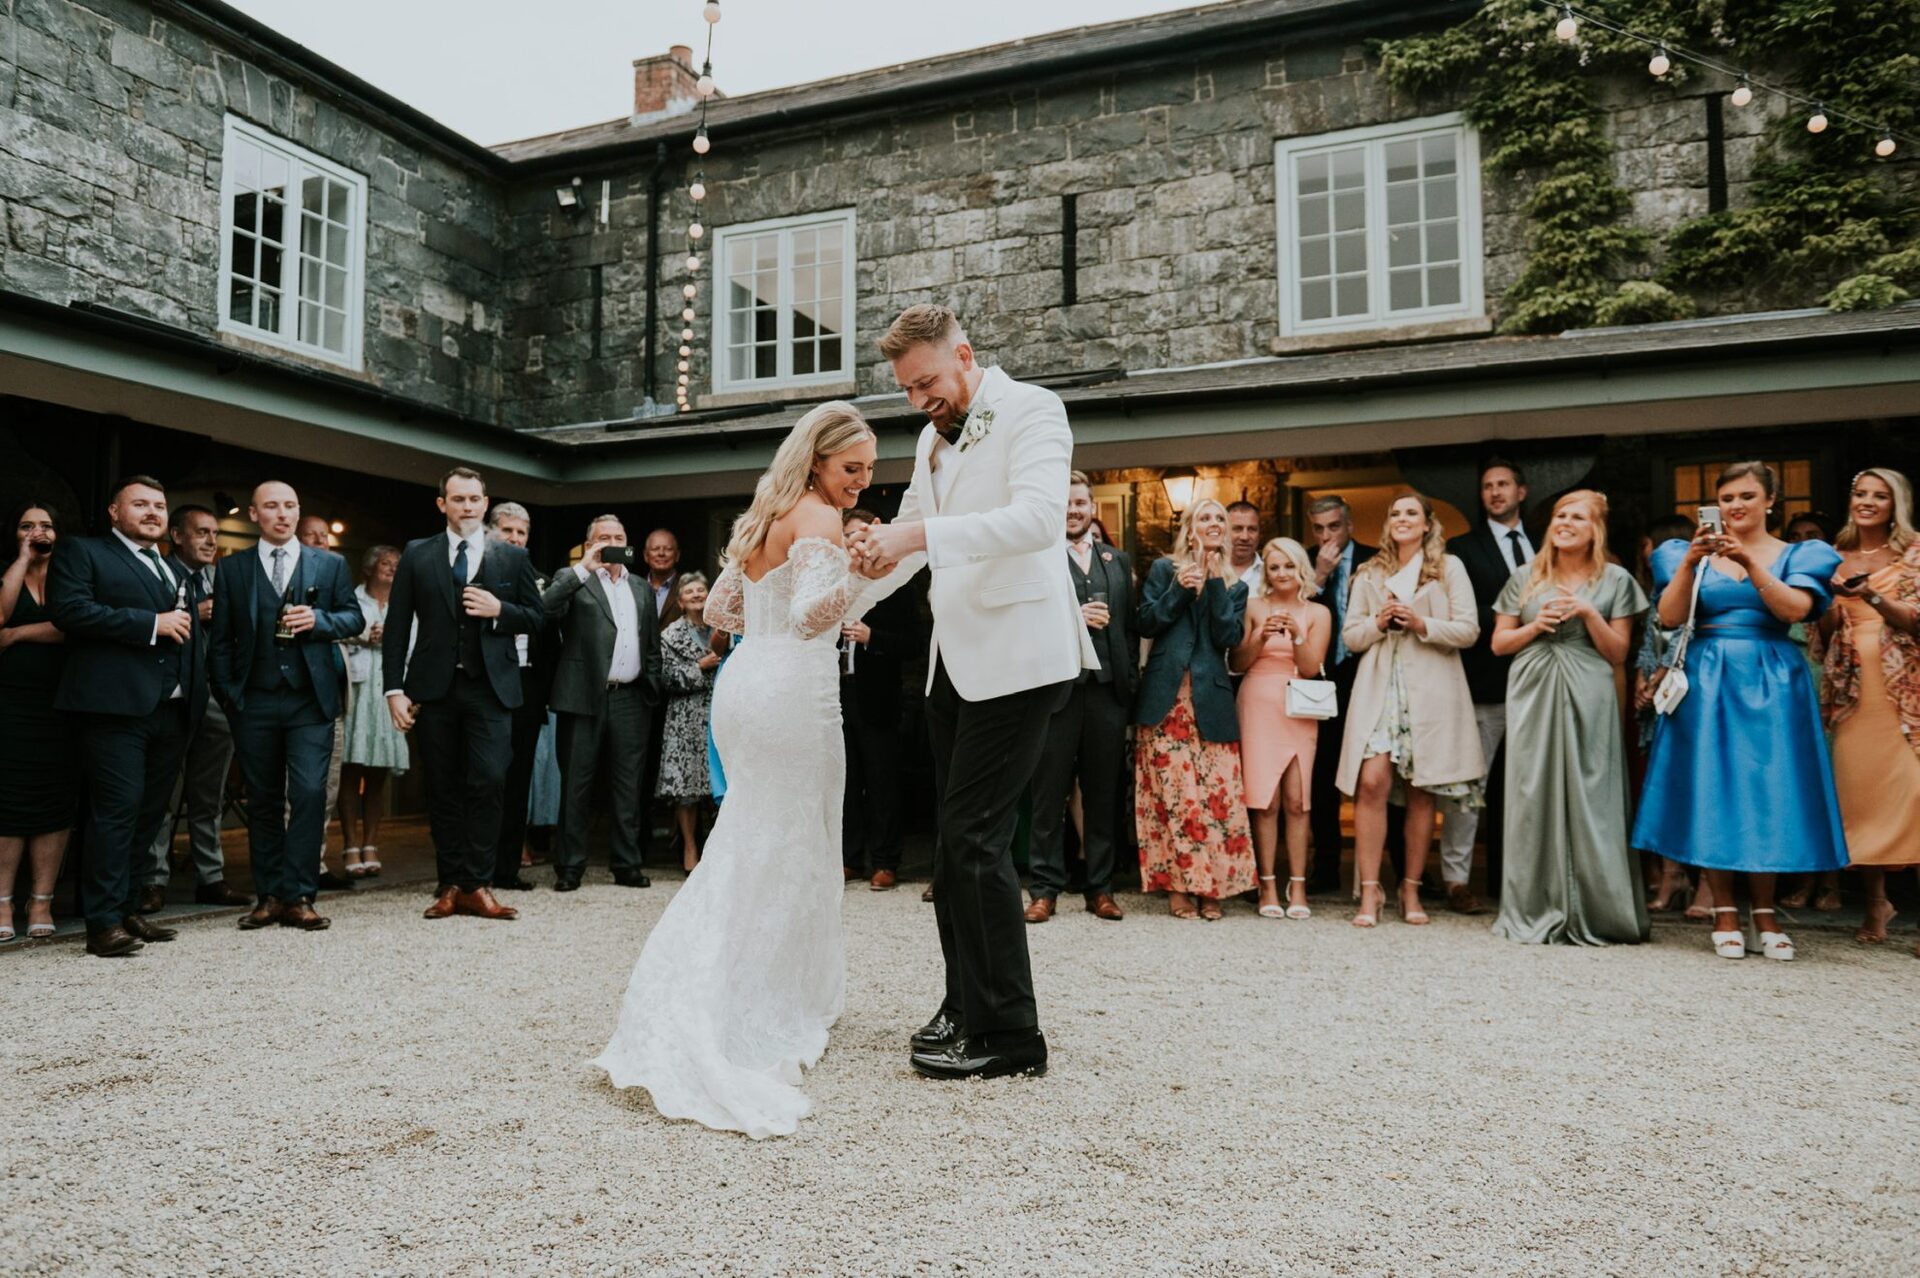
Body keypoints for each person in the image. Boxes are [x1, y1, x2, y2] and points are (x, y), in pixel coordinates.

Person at [593, 401, 886, 1136]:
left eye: (870, 471)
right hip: (792, 694)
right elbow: (813, 618)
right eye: (852, 469)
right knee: (788, 843)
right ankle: (753, 1004)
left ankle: (728, 985)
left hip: (745, 687)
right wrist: (858, 568)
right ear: (819, 460)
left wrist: (802, 592)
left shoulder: (765, 512)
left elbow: (725, 610)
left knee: (750, 837)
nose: (861, 482)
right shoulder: (816, 519)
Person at [848, 304, 1099, 1082]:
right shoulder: (929, 438)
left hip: (1023, 654)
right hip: (953, 662)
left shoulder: (1034, 409)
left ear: (964, 354)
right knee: (957, 850)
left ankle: (1012, 1035)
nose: (919, 399)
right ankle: (965, 1004)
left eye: (927, 382)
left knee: (974, 837)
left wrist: (911, 536)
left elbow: (1032, 522)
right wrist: (835, 598)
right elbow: (907, 550)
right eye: (907, 389)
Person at [1633, 461, 1847, 962]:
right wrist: (1690, 563)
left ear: (1771, 500)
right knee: (1715, 787)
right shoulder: (1682, 555)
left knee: (1768, 787)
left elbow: (1795, 610)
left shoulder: (1800, 553)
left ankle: (1766, 912)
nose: (1735, 506)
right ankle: (1725, 909)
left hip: (1772, 675)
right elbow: (1667, 618)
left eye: (1747, 496)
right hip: (1708, 677)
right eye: (1727, 498)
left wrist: (1751, 564)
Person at [48, 476, 206, 957]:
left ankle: (127, 908)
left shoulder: (169, 565)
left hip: (172, 708)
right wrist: (149, 624)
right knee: (115, 813)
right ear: (115, 512)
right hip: (115, 707)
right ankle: (101, 924)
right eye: (140, 504)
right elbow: (69, 611)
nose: (153, 512)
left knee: (148, 815)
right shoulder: (84, 552)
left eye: (159, 505)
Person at [382, 466, 544, 922]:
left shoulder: (511, 557)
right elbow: (397, 628)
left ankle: (479, 882)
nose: (467, 506)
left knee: (489, 779)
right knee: (442, 786)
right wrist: (394, 689)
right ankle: (451, 883)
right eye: (458, 499)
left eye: (474, 499)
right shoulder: (418, 553)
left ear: (485, 503)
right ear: (442, 505)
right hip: (434, 689)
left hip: (490, 689)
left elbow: (537, 616)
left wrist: (501, 610)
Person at [1489, 491, 1650, 945]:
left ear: (1595, 529)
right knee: (1532, 788)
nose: (1565, 522)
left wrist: (1586, 613)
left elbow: (1619, 652)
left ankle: (1600, 909)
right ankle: (1534, 904)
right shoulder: (1525, 576)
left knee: (1592, 787)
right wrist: (1535, 626)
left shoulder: (1615, 578)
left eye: (1576, 517)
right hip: (1533, 684)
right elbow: (1499, 644)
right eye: (1560, 515)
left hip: (1590, 684)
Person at [209, 482, 363, 932]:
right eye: (272, 506)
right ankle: (269, 895)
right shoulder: (233, 569)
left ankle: (299, 895)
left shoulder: (330, 564)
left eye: (291, 505)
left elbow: (354, 618)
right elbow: (220, 642)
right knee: (263, 799)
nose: (283, 513)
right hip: (253, 700)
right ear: (254, 514)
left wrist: (319, 621)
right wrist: (231, 698)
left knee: (311, 793)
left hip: (309, 699)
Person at [1336, 492, 1483, 929]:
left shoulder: (1448, 568)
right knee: (1372, 781)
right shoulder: (1369, 572)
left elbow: (1469, 629)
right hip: (1380, 688)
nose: (1402, 519)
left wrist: (1421, 624)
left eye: (1411, 513)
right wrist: (1378, 623)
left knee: (1423, 787)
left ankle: (1411, 888)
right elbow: (1350, 637)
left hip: (1431, 689)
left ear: (1426, 524)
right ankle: (1369, 890)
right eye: (1395, 513)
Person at [1132, 497, 1253, 921]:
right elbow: (1146, 622)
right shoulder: (1166, 570)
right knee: (1176, 798)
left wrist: (1216, 583)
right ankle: (1179, 886)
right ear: (1190, 527)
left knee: (1215, 798)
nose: (1215, 523)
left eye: (1220, 518)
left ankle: (1212, 887)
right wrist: (1180, 591)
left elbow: (1227, 636)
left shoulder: (1237, 585)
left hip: (1211, 701)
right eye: (1206, 517)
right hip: (1166, 699)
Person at [1815, 469, 1920, 950]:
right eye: (1860, 493)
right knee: (1862, 793)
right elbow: (1821, 630)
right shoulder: (1831, 557)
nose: (1868, 502)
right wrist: (1831, 607)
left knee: (1913, 792)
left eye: (1880, 496)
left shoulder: (1914, 553)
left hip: (1906, 685)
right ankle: (1877, 903)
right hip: (1852, 688)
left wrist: (1871, 595)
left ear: (1896, 504)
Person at [1026, 472, 1135, 923]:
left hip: (1107, 694)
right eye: (1066, 503)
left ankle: (1100, 887)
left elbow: (1129, 628)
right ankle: (1044, 888)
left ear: (1093, 509)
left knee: (1102, 794)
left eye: (1080, 503)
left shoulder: (1117, 560)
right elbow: (1027, 625)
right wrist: (1073, 620)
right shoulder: (1038, 560)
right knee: (1047, 794)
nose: (1073, 510)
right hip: (1056, 693)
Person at [542, 515, 663, 891]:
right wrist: (582, 568)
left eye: (619, 537)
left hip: (630, 698)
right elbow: (545, 608)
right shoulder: (577, 579)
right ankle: (570, 866)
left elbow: (652, 644)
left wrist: (651, 687)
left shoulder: (641, 587)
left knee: (628, 786)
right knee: (576, 784)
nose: (612, 542)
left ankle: (627, 863)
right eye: (604, 537)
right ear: (590, 543)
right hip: (583, 697)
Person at [138, 504, 247, 911]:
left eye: (215, 534)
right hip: (170, 697)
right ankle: (153, 880)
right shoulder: (156, 572)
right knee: (163, 792)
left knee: (209, 793)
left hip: (215, 698)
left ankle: (211, 877)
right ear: (177, 535)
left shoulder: (224, 579)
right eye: (201, 532)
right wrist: (193, 614)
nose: (211, 541)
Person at [1440, 458, 1534, 915]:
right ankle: (1456, 880)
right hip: (1484, 683)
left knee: (1534, 784)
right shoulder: (1462, 549)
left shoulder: (1549, 544)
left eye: (1503, 484)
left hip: (1539, 686)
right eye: (1487, 486)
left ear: (1522, 491)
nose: (1495, 492)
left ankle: (1532, 877)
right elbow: (1465, 612)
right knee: (1468, 788)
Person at [1230, 537, 1330, 921]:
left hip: (1299, 706)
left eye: (1289, 566)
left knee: (1297, 799)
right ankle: (1267, 883)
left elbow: (1310, 666)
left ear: (1300, 568)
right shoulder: (1253, 606)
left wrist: (1298, 635)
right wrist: (1260, 635)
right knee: (1265, 801)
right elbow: (1237, 661)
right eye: (1274, 567)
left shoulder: (1318, 613)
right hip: (1258, 701)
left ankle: (1298, 886)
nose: (1282, 573)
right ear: (1266, 573)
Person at [0, 502, 77, 942]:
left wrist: (16, 634)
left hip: (62, 704)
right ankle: (4, 902)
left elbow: (74, 624)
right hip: (10, 705)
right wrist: (24, 558)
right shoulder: (9, 570)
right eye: (27, 525)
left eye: (46, 525)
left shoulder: (70, 574)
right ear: (14, 533)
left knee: (54, 801)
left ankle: (42, 900)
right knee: (8, 801)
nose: (37, 531)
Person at [838, 508, 918, 891]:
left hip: (877, 694)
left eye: (860, 534)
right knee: (845, 781)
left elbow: (913, 643)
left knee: (882, 781)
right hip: (835, 695)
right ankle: (849, 858)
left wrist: (873, 638)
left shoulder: (897, 583)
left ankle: (886, 862)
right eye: (848, 535)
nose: (855, 541)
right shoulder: (834, 582)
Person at [1630, 514, 1704, 917]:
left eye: (1650, 545)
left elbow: (1688, 629)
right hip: (1656, 703)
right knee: (1662, 787)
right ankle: (1672, 874)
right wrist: (1643, 679)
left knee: (1697, 785)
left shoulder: (1695, 577)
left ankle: (1707, 884)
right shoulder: (1659, 585)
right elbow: (1651, 634)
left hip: (1689, 691)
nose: (1646, 553)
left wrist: (1659, 676)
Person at [1304, 495, 1378, 893]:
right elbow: (1294, 610)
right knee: (1321, 776)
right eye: (1319, 528)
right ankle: (1326, 868)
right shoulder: (1302, 560)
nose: (1327, 535)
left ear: (1349, 525)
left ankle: (1393, 869)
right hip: (1319, 680)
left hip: (1366, 674)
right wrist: (1317, 575)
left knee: (1377, 772)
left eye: (1334, 526)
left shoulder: (1376, 558)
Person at [486, 502, 553, 891]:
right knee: (484, 780)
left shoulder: (539, 580)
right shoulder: (478, 573)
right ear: (492, 533)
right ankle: (474, 868)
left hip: (526, 691)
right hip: (488, 688)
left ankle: (507, 869)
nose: (514, 539)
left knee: (518, 781)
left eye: (521, 533)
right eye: (507, 531)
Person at [339, 544, 407, 877]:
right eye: (385, 563)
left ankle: (371, 844)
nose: (392, 568)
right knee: (350, 770)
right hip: (357, 688)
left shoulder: (405, 604)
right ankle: (350, 845)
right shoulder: (352, 599)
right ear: (368, 568)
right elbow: (337, 634)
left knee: (378, 775)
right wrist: (366, 635)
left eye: (397, 563)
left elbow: (415, 647)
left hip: (389, 691)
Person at [296, 513, 352, 887]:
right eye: (311, 536)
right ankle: (294, 868)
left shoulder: (336, 579)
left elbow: (352, 620)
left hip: (334, 701)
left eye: (324, 536)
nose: (320, 541)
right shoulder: (292, 582)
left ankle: (315, 863)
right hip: (299, 703)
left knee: (328, 787)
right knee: (299, 792)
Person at [657, 572, 718, 873]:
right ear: (680, 602)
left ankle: (717, 849)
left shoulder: (724, 629)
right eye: (690, 592)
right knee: (687, 791)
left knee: (719, 787)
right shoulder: (670, 635)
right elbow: (666, 678)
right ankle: (690, 847)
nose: (696, 595)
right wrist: (699, 667)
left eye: (701, 590)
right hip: (686, 718)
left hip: (718, 714)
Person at [1225, 500, 1264, 598]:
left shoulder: (1271, 574)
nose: (1244, 537)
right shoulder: (1208, 571)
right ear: (1223, 531)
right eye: (1237, 529)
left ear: (1259, 534)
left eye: (1252, 529)